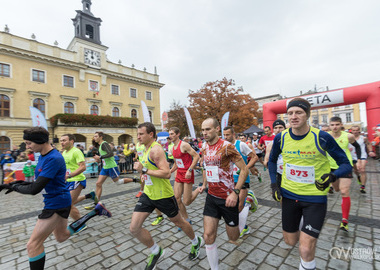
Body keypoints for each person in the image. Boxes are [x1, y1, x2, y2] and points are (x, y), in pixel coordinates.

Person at [0, 127, 111, 270]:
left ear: (40, 141)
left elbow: (35, 189)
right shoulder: (44, 155)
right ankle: (94, 212)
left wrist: (13, 187)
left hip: (56, 203)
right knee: (61, 236)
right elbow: (39, 181)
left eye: (29, 143)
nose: (27, 147)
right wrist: (15, 183)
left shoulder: (53, 158)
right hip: (58, 200)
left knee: (33, 245)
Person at [268, 98, 352, 270]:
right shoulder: (280, 138)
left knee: (305, 247)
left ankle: (307, 262)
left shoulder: (322, 137)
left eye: (298, 112)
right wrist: (274, 184)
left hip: (315, 198)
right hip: (289, 196)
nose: (293, 116)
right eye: (290, 113)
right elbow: (271, 161)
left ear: (307, 115)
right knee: (290, 241)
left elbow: (346, 164)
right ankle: (304, 229)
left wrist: (332, 176)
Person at [130, 122, 203, 270]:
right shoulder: (144, 148)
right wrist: (143, 175)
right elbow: (150, 170)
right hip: (149, 194)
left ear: (151, 134)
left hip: (163, 196)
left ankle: (196, 241)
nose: (138, 137)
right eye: (137, 134)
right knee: (134, 228)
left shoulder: (156, 150)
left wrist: (144, 170)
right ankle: (156, 251)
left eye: (141, 134)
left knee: (179, 222)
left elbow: (166, 173)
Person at [199, 118, 249, 270]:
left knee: (233, 238)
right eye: (202, 130)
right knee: (208, 236)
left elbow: (244, 170)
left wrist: (235, 193)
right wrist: (205, 184)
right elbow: (207, 168)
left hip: (228, 198)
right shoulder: (204, 147)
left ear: (216, 129)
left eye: (208, 129)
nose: (204, 133)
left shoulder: (227, 147)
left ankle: (244, 208)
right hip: (212, 197)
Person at [81, 132, 137, 210]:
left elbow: (110, 154)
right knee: (98, 183)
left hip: (111, 166)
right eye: (94, 136)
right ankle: (96, 203)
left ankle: (134, 179)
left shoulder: (104, 144)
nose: (94, 137)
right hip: (105, 167)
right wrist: (99, 160)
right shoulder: (100, 145)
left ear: (101, 137)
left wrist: (100, 157)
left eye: (96, 136)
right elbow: (105, 157)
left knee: (118, 182)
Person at [223, 126, 259, 238]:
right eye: (224, 135)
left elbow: (254, 157)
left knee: (239, 205)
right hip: (229, 179)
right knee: (231, 205)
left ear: (233, 134)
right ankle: (250, 199)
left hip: (242, 178)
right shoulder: (224, 146)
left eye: (227, 135)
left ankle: (242, 227)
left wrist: (246, 168)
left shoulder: (241, 145)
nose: (225, 137)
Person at [328, 117, 362, 231]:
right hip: (331, 167)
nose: (335, 127)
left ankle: (344, 221)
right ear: (329, 125)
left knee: (344, 191)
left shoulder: (348, 136)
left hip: (345, 166)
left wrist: (360, 159)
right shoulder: (325, 136)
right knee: (337, 189)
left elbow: (357, 146)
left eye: (337, 124)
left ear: (341, 124)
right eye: (332, 125)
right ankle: (333, 187)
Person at [169, 127, 201, 229]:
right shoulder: (172, 148)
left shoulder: (184, 145)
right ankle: (186, 219)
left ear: (178, 134)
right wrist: (168, 172)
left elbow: (196, 156)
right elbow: (176, 164)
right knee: (177, 198)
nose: (170, 136)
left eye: (172, 134)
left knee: (187, 201)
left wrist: (190, 170)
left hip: (187, 173)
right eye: (169, 134)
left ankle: (198, 189)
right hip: (179, 174)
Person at [61, 134, 93, 223]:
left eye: (64, 140)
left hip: (77, 179)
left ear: (71, 141)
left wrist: (70, 175)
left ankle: (80, 223)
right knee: (71, 202)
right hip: (67, 181)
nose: (62, 143)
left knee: (68, 204)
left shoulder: (76, 151)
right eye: (61, 141)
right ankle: (89, 196)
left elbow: (83, 167)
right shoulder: (64, 152)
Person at [351, 125, 372, 193]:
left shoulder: (363, 138)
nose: (355, 132)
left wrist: (371, 151)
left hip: (362, 155)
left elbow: (368, 144)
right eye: (354, 130)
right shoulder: (349, 138)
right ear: (351, 131)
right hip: (352, 156)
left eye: (357, 130)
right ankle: (358, 176)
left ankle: (363, 187)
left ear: (359, 130)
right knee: (356, 170)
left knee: (362, 169)